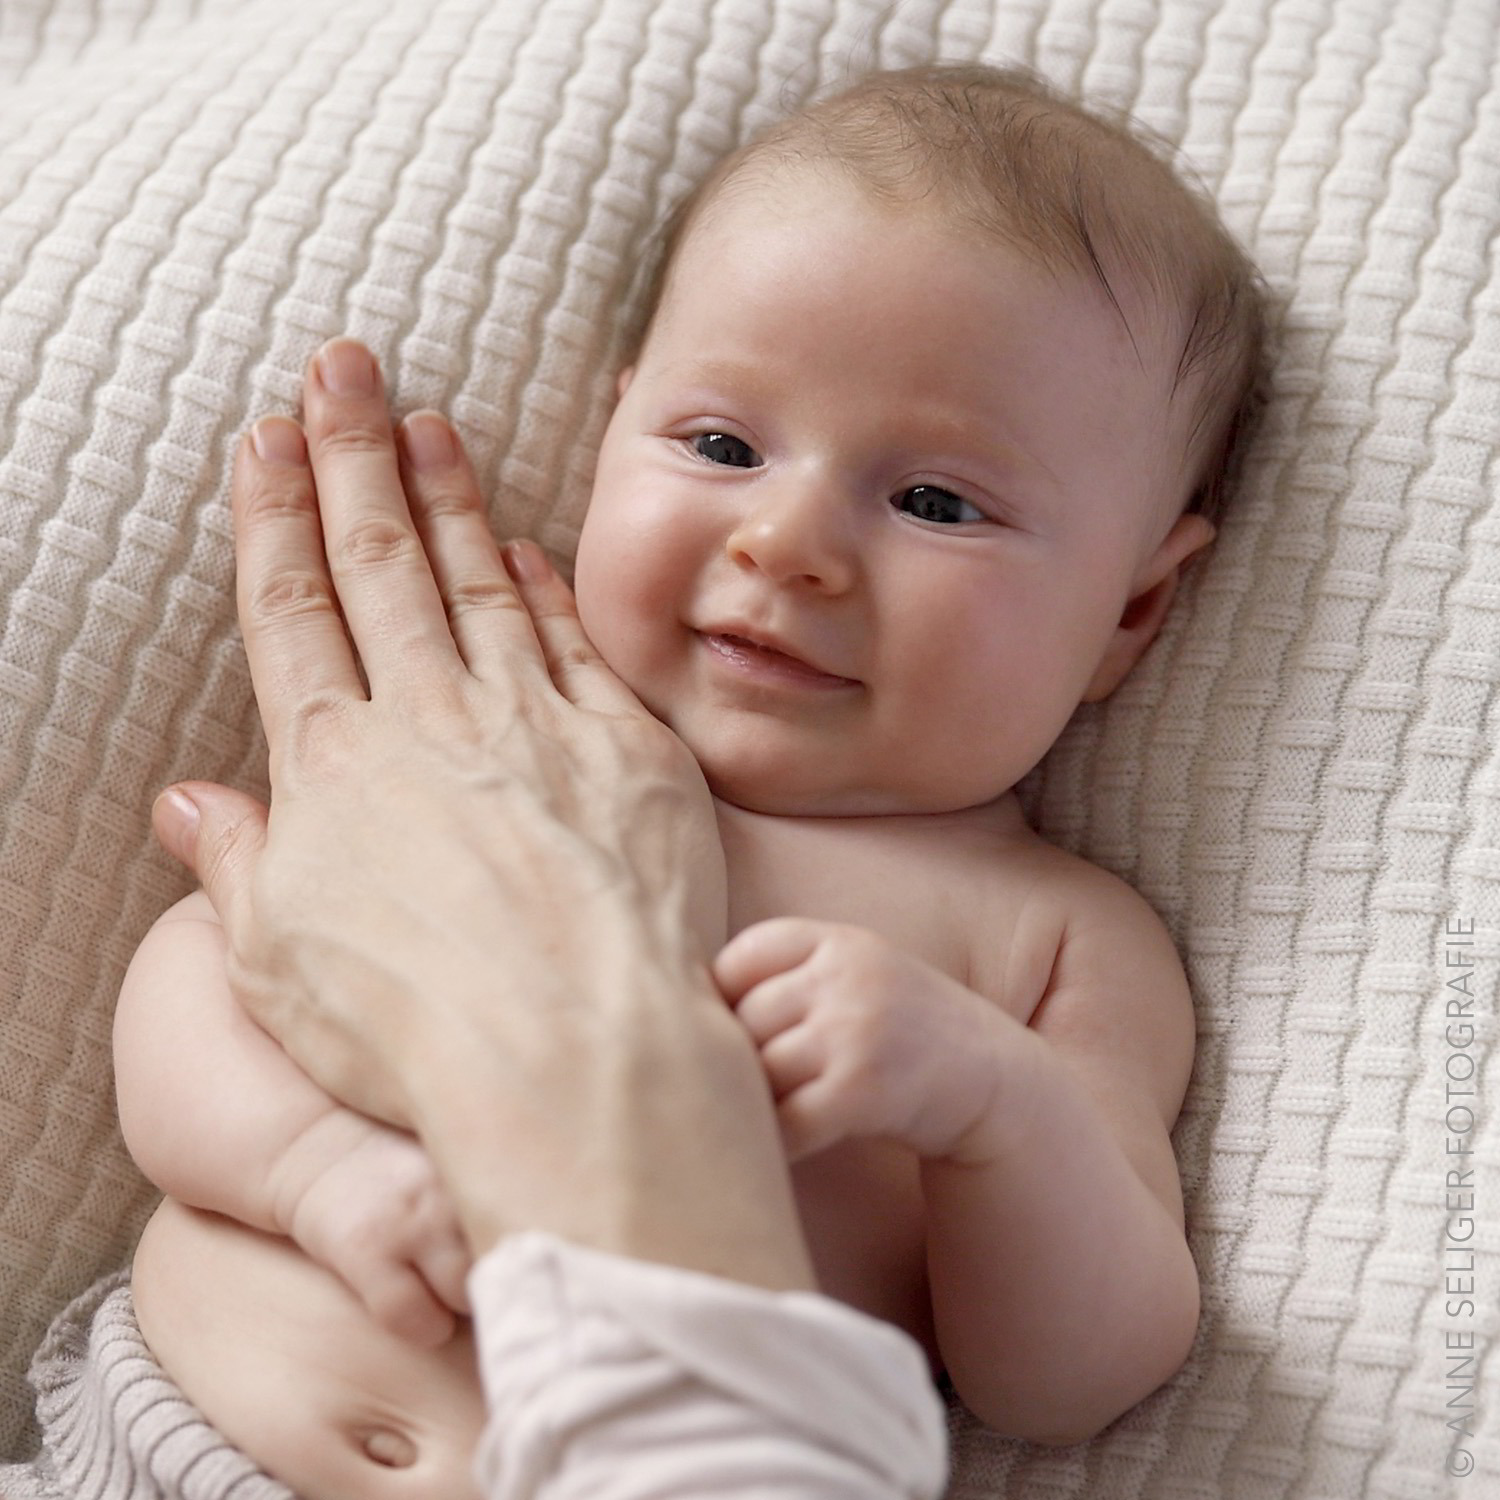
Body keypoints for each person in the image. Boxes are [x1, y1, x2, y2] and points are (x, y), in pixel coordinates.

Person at [24, 61, 1270, 1500]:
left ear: (1132, 611)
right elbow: (218, 959)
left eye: (935, 500)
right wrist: (309, 1168)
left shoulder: (1051, 941)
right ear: (616, 434)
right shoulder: (498, 740)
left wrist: (993, 1103)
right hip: (140, 1434)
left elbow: (1077, 1374)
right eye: (721, 444)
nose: (787, 538)